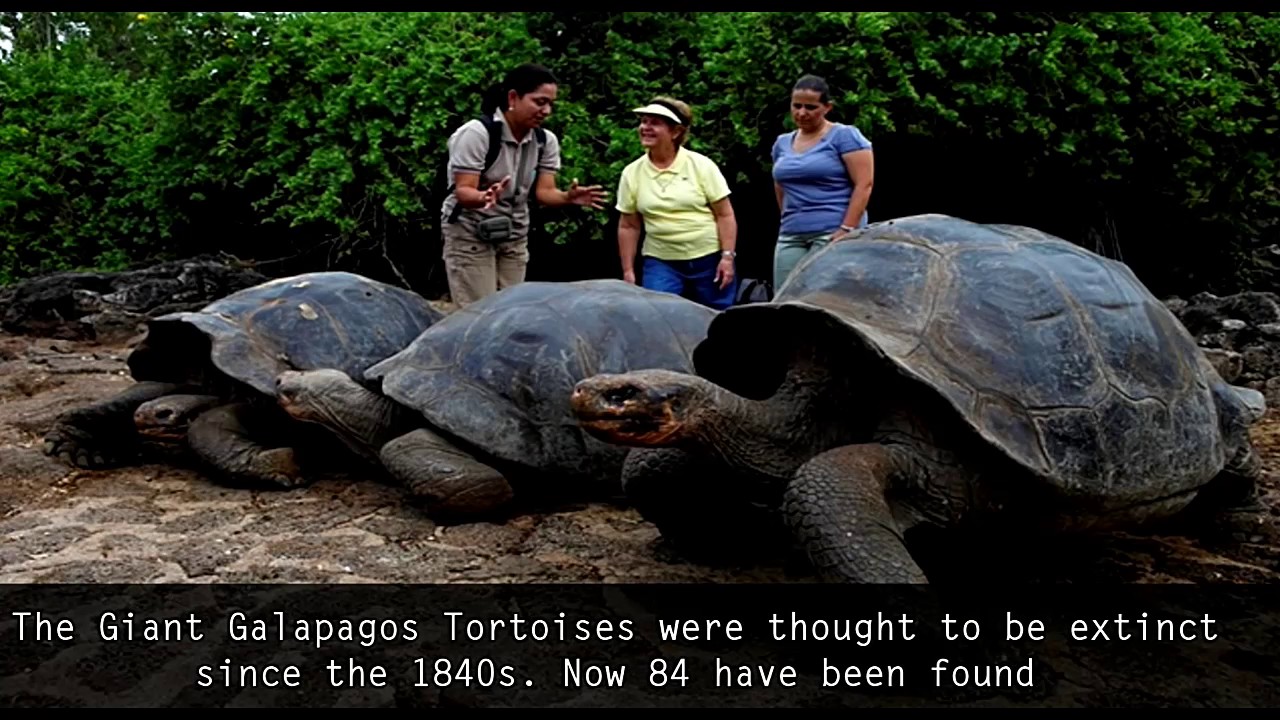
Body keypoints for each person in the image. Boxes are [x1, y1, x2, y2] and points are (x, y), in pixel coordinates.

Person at [440, 63, 608, 307]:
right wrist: (484, 196)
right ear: (513, 97)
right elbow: (464, 191)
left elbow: (544, 192)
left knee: (514, 312)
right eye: (539, 102)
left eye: (551, 104)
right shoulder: (477, 133)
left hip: (514, 232)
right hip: (470, 232)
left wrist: (567, 198)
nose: (546, 110)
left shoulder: (544, 140)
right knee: (478, 314)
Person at [615, 96, 738, 310]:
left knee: (720, 317)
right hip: (661, 259)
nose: (646, 127)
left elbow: (724, 214)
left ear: (675, 132)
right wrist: (628, 271)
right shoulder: (632, 172)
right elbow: (629, 225)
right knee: (657, 314)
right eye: (644, 121)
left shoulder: (701, 165)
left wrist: (727, 257)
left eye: (655, 123)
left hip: (707, 257)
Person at [770, 74, 875, 289]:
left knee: (822, 296)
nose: (802, 113)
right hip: (792, 232)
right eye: (796, 106)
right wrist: (787, 217)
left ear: (827, 107)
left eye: (810, 107)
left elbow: (864, 184)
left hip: (832, 229)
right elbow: (780, 184)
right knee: (785, 294)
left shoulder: (844, 136)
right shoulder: (782, 143)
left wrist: (847, 229)